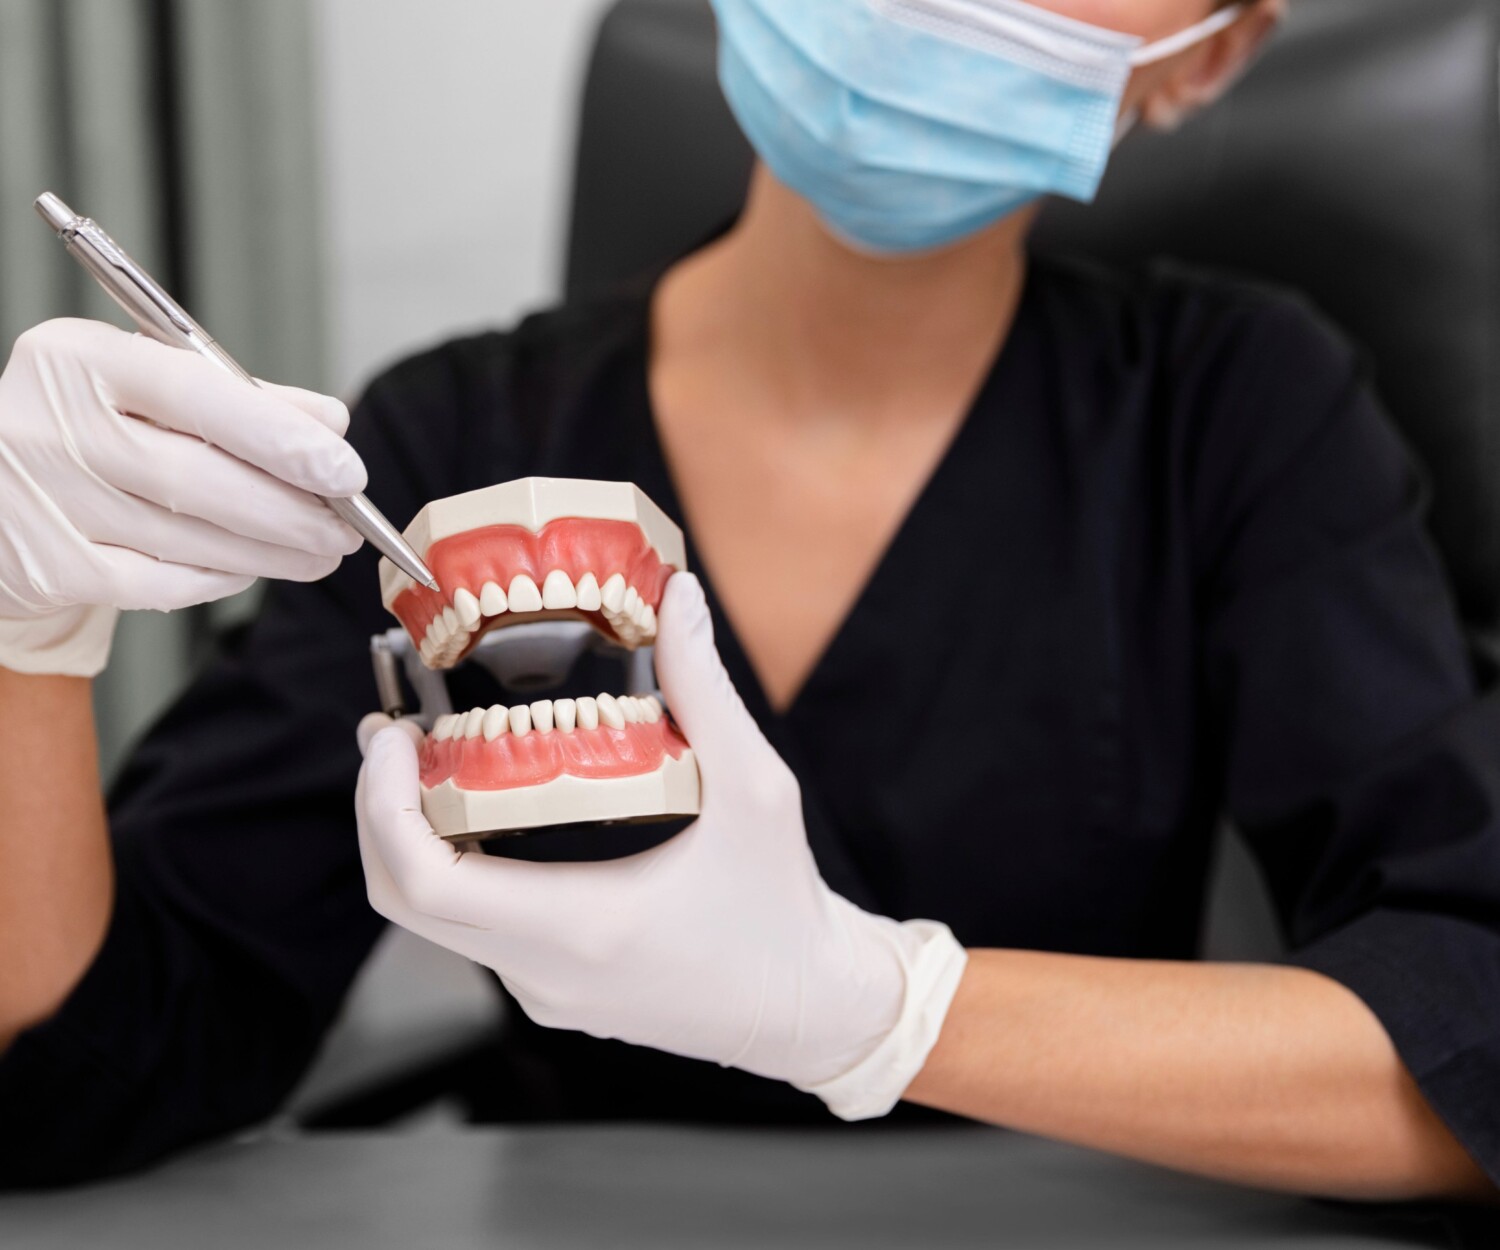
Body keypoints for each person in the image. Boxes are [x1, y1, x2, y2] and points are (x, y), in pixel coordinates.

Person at [0, 0, 1495, 1202]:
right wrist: (21, 633)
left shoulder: (1241, 414)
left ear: (1207, 55)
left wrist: (884, 1009)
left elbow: (1471, 1022)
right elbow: (76, 1072)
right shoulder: (451, 445)